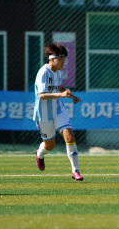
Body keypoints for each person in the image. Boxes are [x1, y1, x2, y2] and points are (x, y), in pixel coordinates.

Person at [33, 43, 83, 181]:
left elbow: (59, 87)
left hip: (58, 109)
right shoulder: (43, 72)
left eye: (64, 60)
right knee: (50, 145)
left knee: (70, 136)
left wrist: (70, 95)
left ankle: (75, 171)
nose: (63, 63)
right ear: (52, 59)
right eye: (61, 60)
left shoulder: (58, 72)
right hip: (43, 113)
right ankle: (40, 154)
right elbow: (41, 95)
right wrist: (61, 95)